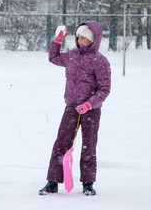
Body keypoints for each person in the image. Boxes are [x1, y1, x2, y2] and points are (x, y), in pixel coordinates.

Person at [39, 21, 111, 196]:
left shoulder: (100, 61)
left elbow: (104, 89)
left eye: (84, 37)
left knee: (89, 145)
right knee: (61, 143)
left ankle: (88, 183)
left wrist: (89, 104)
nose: (79, 40)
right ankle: (52, 182)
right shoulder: (72, 55)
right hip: (71, 108)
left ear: (93, 39)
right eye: (78, 37)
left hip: (91, 111)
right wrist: (57, 41)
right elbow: (53, 58)